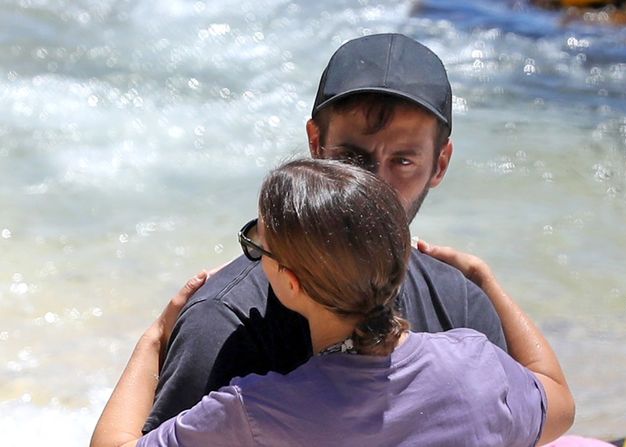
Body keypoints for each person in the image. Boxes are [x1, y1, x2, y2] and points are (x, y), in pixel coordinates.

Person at [143, 33, 509, 433]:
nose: (375, 186)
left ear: (439, 164)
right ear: (316, 143)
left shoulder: (461, 306)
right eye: (353, 158)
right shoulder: (224, 320)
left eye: (402, 161)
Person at [91, 159, 574, 447]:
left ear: (293, 282)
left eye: (259, 244)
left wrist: (152, 341)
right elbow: (560, 405)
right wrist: (486, 280)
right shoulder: (475, 366)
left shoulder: (258, 412)